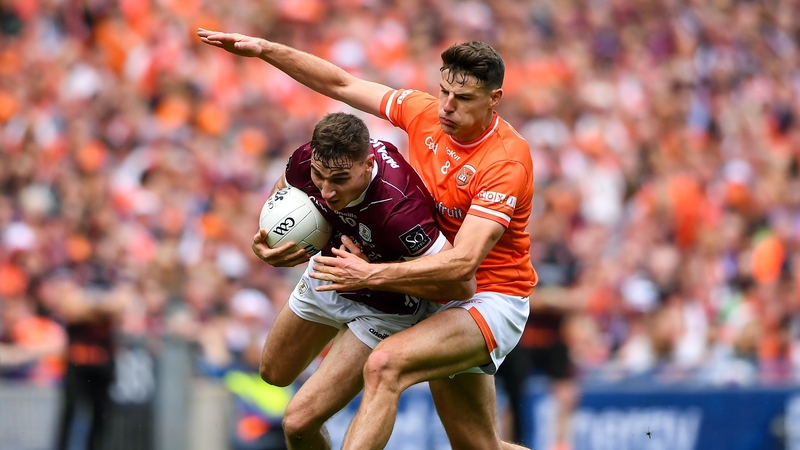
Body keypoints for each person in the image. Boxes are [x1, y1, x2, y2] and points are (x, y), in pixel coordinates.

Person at [198, 29, 536, 450]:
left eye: (463, 99)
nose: (447, 107)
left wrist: (370, 274)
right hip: (424, 279)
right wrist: (267, 49)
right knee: (478, 446)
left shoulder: (506, 161)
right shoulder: (425, 112)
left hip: (489, 297)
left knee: (384, 366)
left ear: (494, 99)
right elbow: (340, 83)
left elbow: (464, 266)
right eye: (444, 90)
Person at [250, 112, 475, 449]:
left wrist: (372, 275)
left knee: (297, 421)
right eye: (318, 175)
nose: (326, 190)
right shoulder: (308, 159)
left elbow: (459, 286)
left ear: (368, 164)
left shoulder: (400, 209)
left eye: (339, 179)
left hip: (387, 305)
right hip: (330, 271)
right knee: (273, 374)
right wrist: (271, 238)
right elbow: (285, 190)